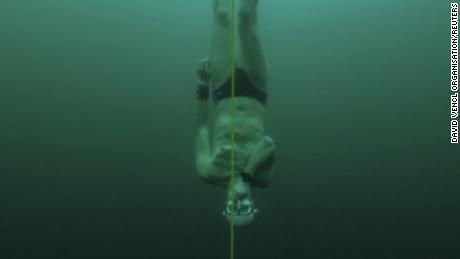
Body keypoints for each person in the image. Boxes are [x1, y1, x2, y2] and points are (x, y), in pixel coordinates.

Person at [195, 0, 275, 226]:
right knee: (245, 17)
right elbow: (268, 144)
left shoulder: (208, 171)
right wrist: (246, 178)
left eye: (234, 207)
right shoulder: (262, 177)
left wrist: (202, 86)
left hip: (221, 90)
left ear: (226, 205)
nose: (239, 201)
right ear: (251, 202)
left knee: (221, 14)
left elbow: (201, 128)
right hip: (255, 89)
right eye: (245, 206)